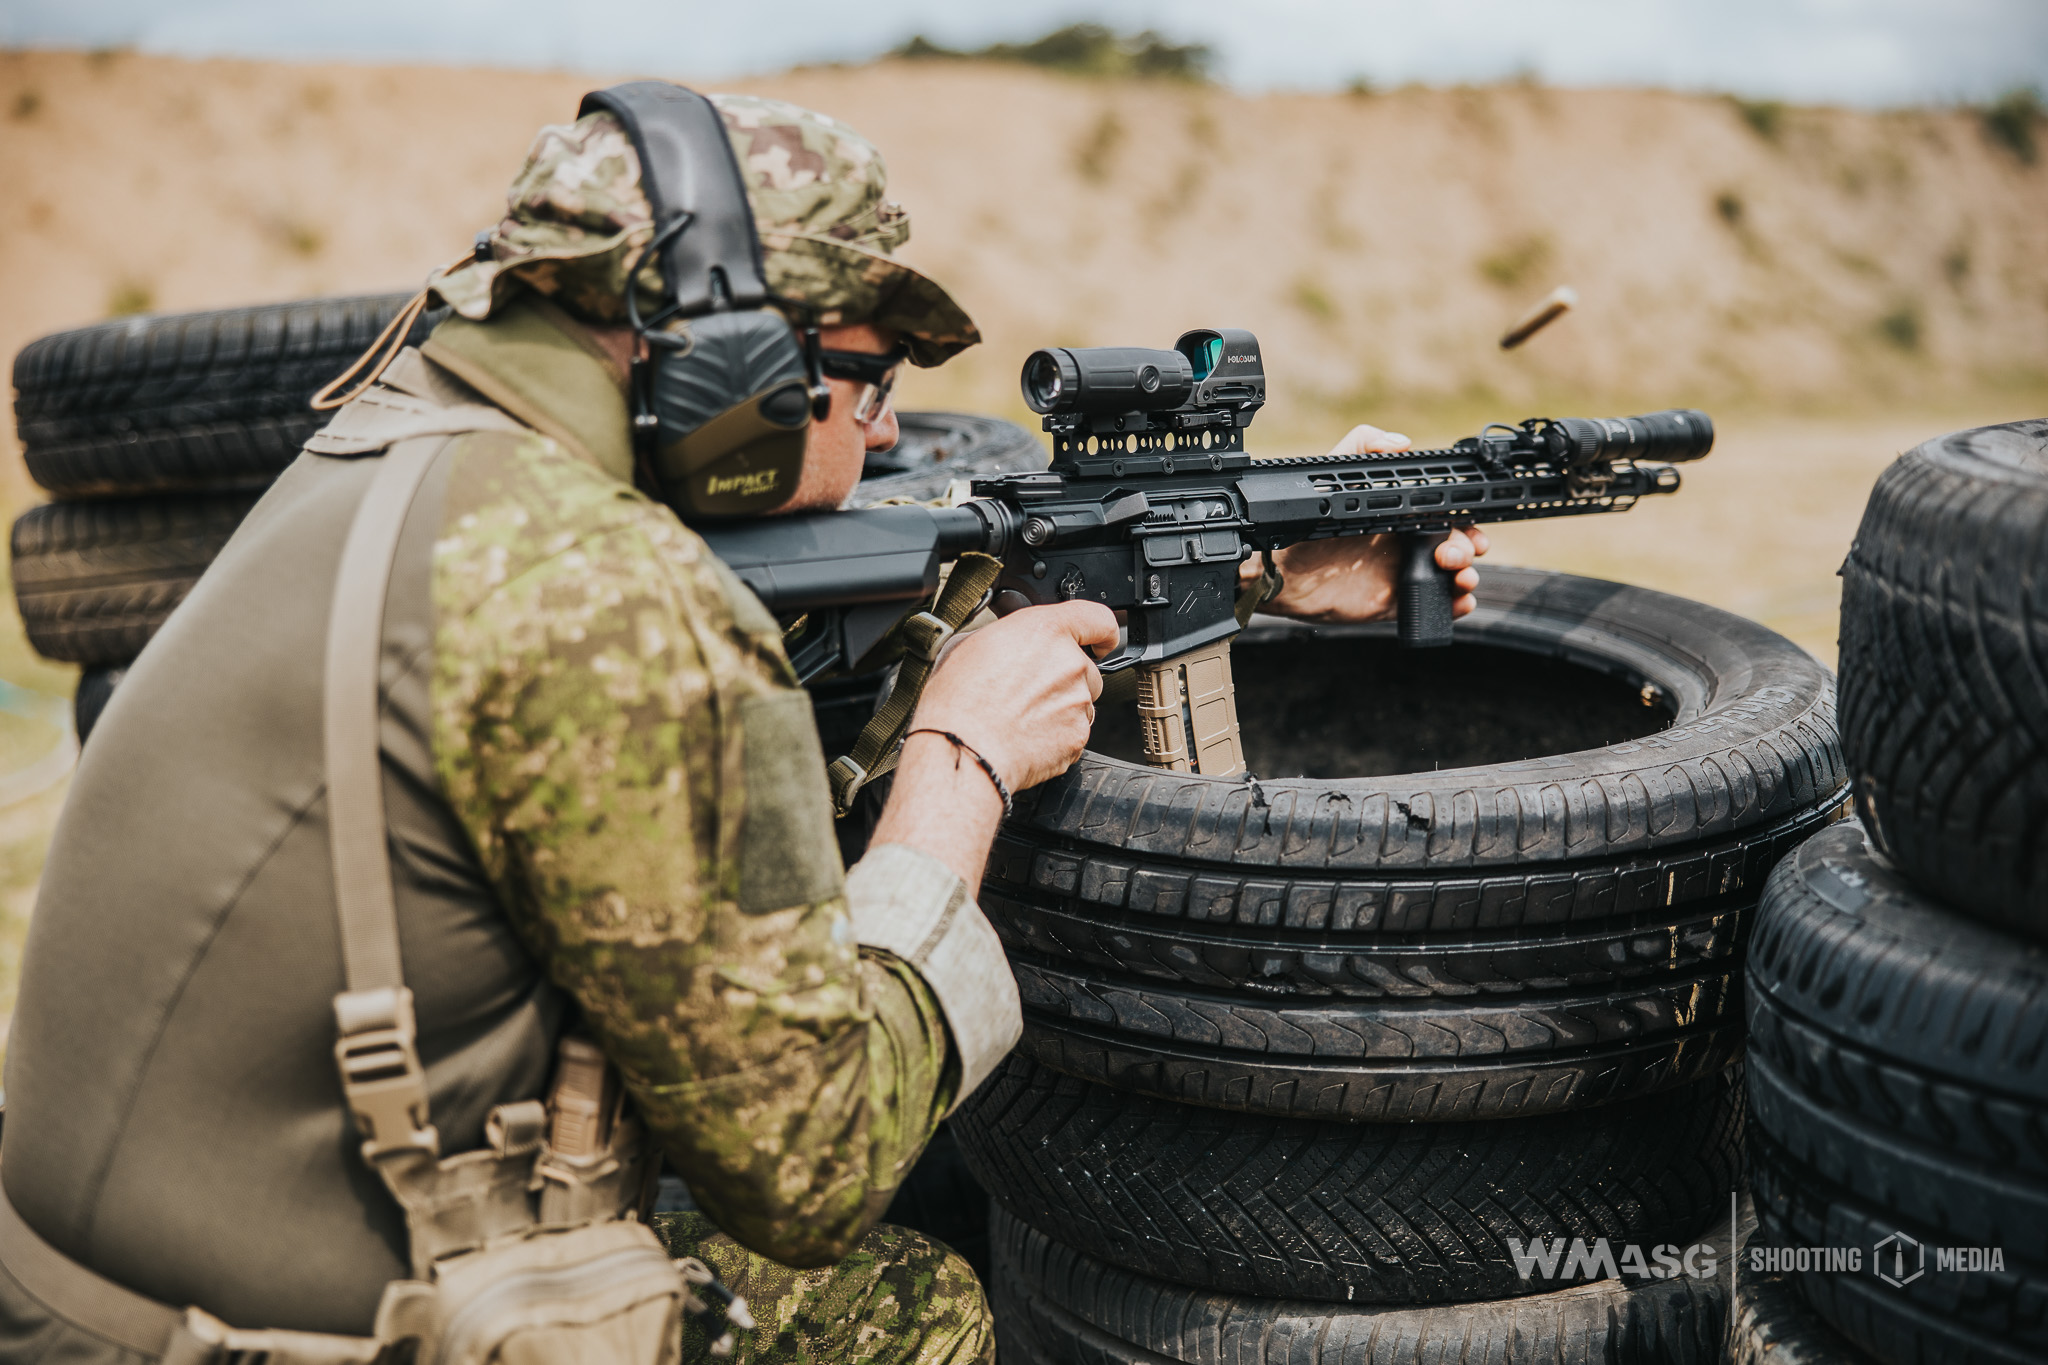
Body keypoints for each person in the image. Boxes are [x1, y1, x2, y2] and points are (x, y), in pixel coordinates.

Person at [0, 89, 1485, 1365]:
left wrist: (1248, 567)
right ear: (723, 375)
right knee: (909, 1305)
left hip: (97, 1275)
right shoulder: (608, 604)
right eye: (866, 378)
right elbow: (816, 1163)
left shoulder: (401, 441)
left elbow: (833, 574)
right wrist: (956, 770)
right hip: (256, 1334)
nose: (890, 429)